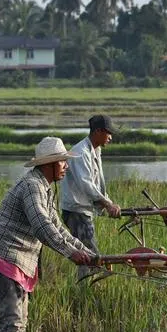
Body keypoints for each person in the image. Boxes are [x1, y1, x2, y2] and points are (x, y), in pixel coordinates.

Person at [0, 137, 97, 332]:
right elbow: (43, 226)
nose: (66, 166)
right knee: (11, 325)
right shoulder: (32, 186)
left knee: (20, 324)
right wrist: (71, 253)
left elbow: (58, 227)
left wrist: (89, 253)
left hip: (16, 264)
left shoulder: (44, 189)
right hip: (4, 260)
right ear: (49, 164)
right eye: (62, 162)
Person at [62, 114, 121, 280]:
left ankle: (83, 286)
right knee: (91, 256)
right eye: (108, 133)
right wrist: (108, 204)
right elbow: (86, 184)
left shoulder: (95, 150)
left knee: (86, 255)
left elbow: (98, 182)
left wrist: (107, 203)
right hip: (76, 212)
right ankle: (85, 288)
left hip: (84, 210)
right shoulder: (80, 152)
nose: (110, 137)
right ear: (97, 131)